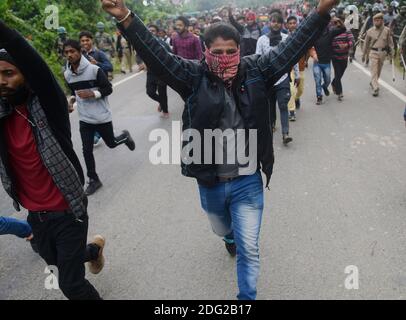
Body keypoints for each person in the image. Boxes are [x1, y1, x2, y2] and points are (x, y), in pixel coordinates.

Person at [101, 0, 338, 300]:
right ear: (205, 52)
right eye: (217, 52)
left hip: (248, 180)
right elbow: (158, 56)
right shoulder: (192, 76)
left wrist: (321, 11)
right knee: (221, 228)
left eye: (231, 52)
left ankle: (246, 299)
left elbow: (292, 48)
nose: (225, 58)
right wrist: (125, 17)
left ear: (240, 51)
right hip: (210, 181)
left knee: (249, 248)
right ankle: (227, 236)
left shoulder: (257, 70)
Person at [0, 22, 105, 300]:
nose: (1, 80)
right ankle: (92, 251)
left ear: (26, 76)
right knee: (59, 264)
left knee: (71, 285)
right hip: (36, 215)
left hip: (67, 210)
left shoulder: (48, 106)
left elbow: (33, 63)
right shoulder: (3, 114)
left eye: (9, 73)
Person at [63, 39, 136, 196]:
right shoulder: (67, 74)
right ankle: (94, 179)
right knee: (86, 150)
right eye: (66, 52)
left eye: (72, 51)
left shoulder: (94, 70)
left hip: (101, 116)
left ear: (79, 51)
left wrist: (93, 93)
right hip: (84, 119)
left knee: (111, 143)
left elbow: (108, 89)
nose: (69, 55)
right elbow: (73, 92)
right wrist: (71, 102)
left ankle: (124, 136)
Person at [256, 12, 297, 144]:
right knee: (270, 105)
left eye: (278, 22)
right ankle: (272, 123)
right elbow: (257, 59)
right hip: (267, 79)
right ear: (269, 23)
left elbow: (293, 57)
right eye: (273, 21)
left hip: (283, 77)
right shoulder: (262, 40)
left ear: (281, 24)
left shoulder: (287, 38)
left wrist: (296, 74)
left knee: (283, 104)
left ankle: (285, 133)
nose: (276, 24)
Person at [310, 21, 346, 104]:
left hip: (326, 63)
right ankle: (319, 97)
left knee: (328, 79)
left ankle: (324, 86)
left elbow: (343, 29)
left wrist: (339, 22)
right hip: (317, 63)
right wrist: (313, 54)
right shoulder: (314, 35)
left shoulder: (331, 32)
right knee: (317, 80)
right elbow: (310, 47)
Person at [362, 13, 394, 97]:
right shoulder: (369, 31)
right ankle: (376, 88)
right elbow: (365, 44)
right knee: (374, 70)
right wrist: (363, 54)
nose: (376, 22)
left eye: (378, 20)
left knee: (378, 71)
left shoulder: (387, 30)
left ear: (382, 21)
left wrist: (392, 51)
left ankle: (373, 81)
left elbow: (390, 42)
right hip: (373, 52)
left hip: (383, 53)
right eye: (375, 20)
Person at [146, 25, 172, 118]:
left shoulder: (163, 44)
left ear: (157, 32)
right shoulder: (144, 43)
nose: (151, 32)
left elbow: (170, 55)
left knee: (162, 92)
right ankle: (161, 102)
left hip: (162, 72)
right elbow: (138, 53)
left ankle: (165, 111)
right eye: (149, 30)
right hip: (151, 72)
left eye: (153, 30)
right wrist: (140, 62)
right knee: (150, 92)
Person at [331, 16, 354, 101]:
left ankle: (333, 83)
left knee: (340, 74)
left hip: (344, 57)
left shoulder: (347, 30)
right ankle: (339, 92)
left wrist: (346, 45)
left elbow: (352, 40)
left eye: (338, 22)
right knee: (337, 74)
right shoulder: (332, 31)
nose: (337, 24)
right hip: (335, 57)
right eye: (335, 22)